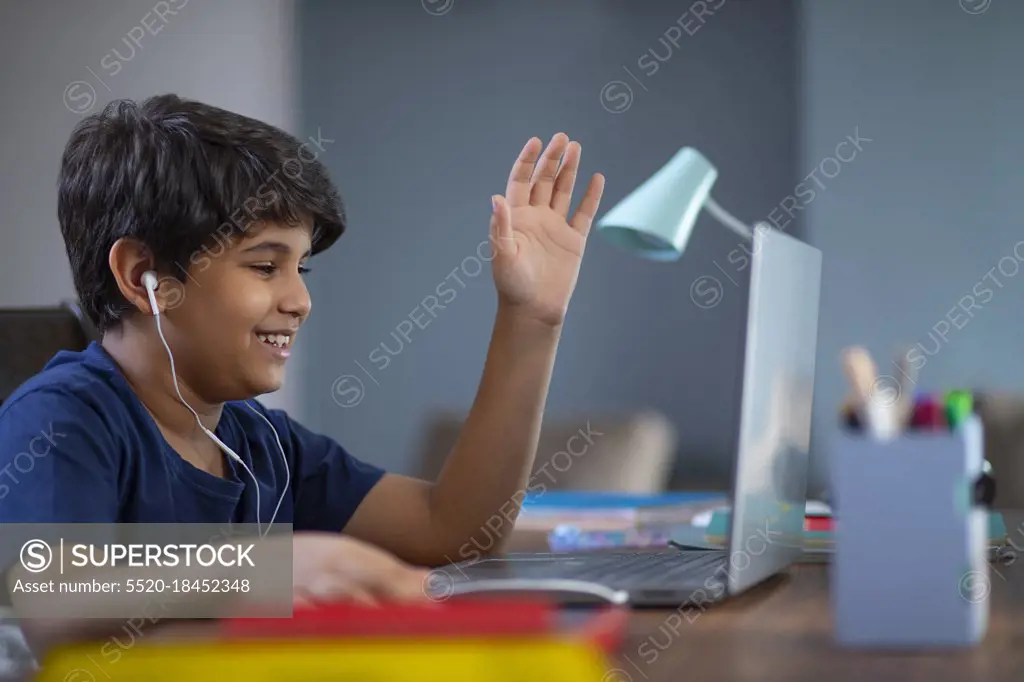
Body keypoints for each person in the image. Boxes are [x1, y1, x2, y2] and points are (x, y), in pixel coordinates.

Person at [0, 94, 605, 659]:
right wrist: (272, 570)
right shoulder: (61, 418)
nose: (299, 300)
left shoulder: (263, 442)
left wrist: (530, 319)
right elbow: (56, 590)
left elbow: (454, 530)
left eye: (302, 270)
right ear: (142, 276)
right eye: (265, 265)